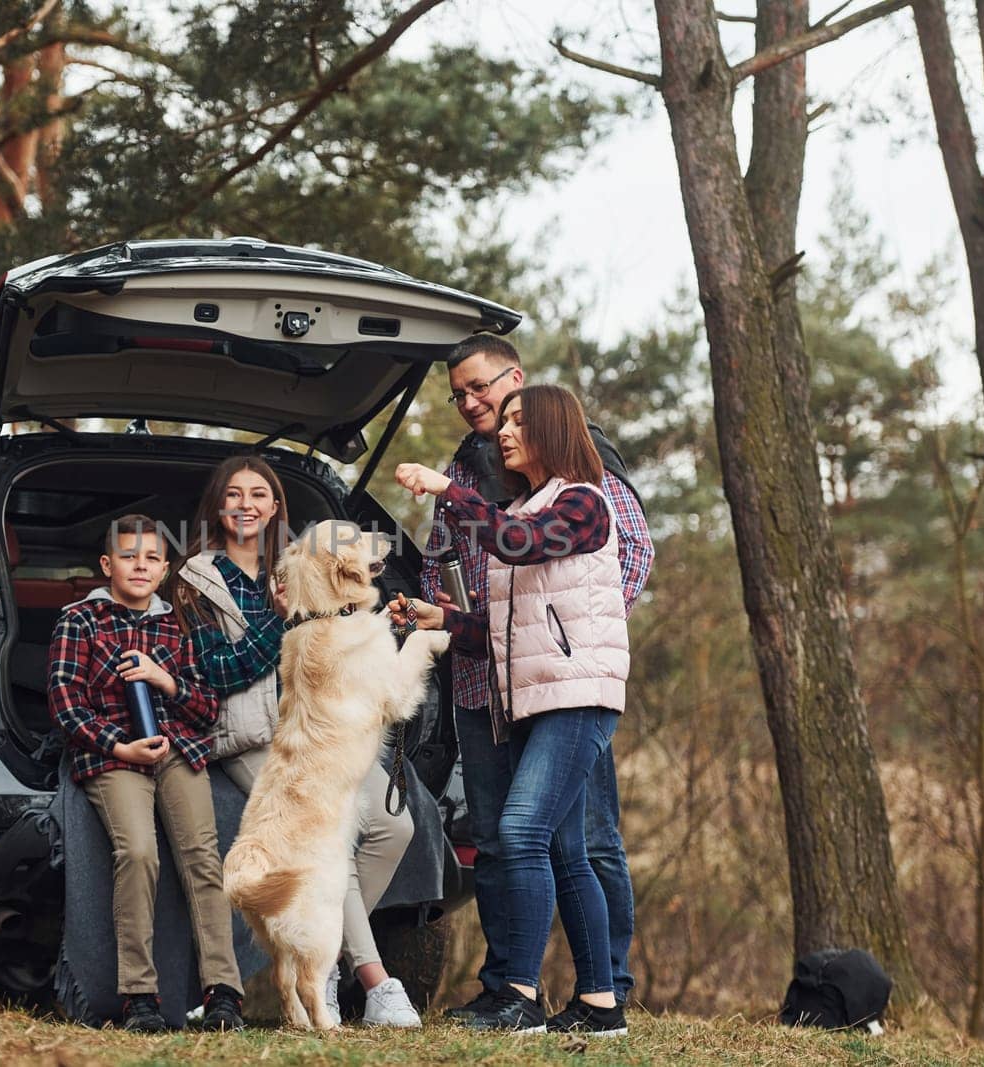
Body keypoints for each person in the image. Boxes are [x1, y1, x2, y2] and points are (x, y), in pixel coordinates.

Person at [420, 335, 652, 1027]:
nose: (471, 403)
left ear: (515, 380)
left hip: (566, 685)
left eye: (480, 388)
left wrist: (569, 636)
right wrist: (440, 616)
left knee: (577, 838)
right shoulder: (490, 484)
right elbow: (453, 563)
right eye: (457, 393)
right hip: (491, 687)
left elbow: (624, 560)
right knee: (505, 839)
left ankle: (602, 984)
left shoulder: (582, 487)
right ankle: (522, 989)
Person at [170, 455, 423, 1029]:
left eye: (259, 494)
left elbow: (344, 629)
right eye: (233, 494)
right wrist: (280, 623)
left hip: (325, 728)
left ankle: (321, 956)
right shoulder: (195, 581)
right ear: (217, 505)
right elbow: (217, 673)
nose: (246, 505)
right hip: (256, 735)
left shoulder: (299, 565)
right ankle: (370, 980)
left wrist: (392, 628)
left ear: (275, 506)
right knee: (329, 848)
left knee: (395, 827)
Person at [47, 513, 245, 1032]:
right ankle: (140, 998)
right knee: (137, 853)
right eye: (130, 556)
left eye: (152, 557)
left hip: (176, 747)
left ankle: (223, 993)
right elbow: (67, 705)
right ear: (107, 564)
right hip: (115, 754)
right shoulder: (80, 621)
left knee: (203, 856)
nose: (141, 565)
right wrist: (122, 747)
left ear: (164, 570)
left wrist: (164, 679)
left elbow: (206, 708)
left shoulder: (176, 624)